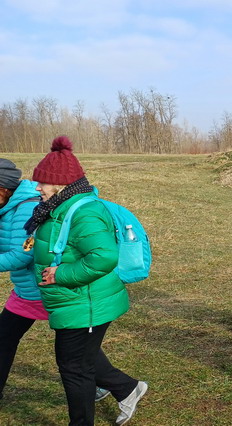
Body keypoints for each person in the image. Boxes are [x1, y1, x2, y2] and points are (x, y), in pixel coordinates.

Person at [27, 136, 148, 425]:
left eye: (42, 182)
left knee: (73, 368)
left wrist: (62, 274)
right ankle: (129, 389)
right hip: (76, 300)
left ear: (60, 184)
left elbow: (104, 257)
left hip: (86, 302)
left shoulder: (84, 212)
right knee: (82, 358)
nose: (38, 187)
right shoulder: (57, 208)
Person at [0, 159, 41, 402]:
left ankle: (124, 387)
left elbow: (24, 254)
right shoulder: (7, 207)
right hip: (26, 289)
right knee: (3, 337)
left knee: (73, 355)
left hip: (43, 288)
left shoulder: (28, 206)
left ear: (3, 189)